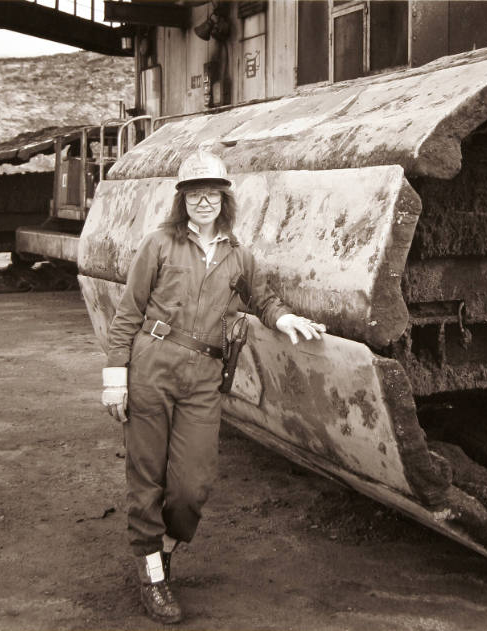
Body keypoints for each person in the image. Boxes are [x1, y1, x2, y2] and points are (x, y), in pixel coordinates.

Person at [100, 150, 325, 624]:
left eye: (213, 194)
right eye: (195, 194)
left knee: (192, 485)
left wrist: (284, 318)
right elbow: (127, 315)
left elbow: (261, 297)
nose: (204, 202)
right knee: (147, 475)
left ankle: (164, 546)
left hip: (204, 377)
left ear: (225, 200)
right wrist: (115, 379)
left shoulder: (238, 255)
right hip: (152, 367)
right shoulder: (158, 245)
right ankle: (152, 575)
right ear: (182, 200)